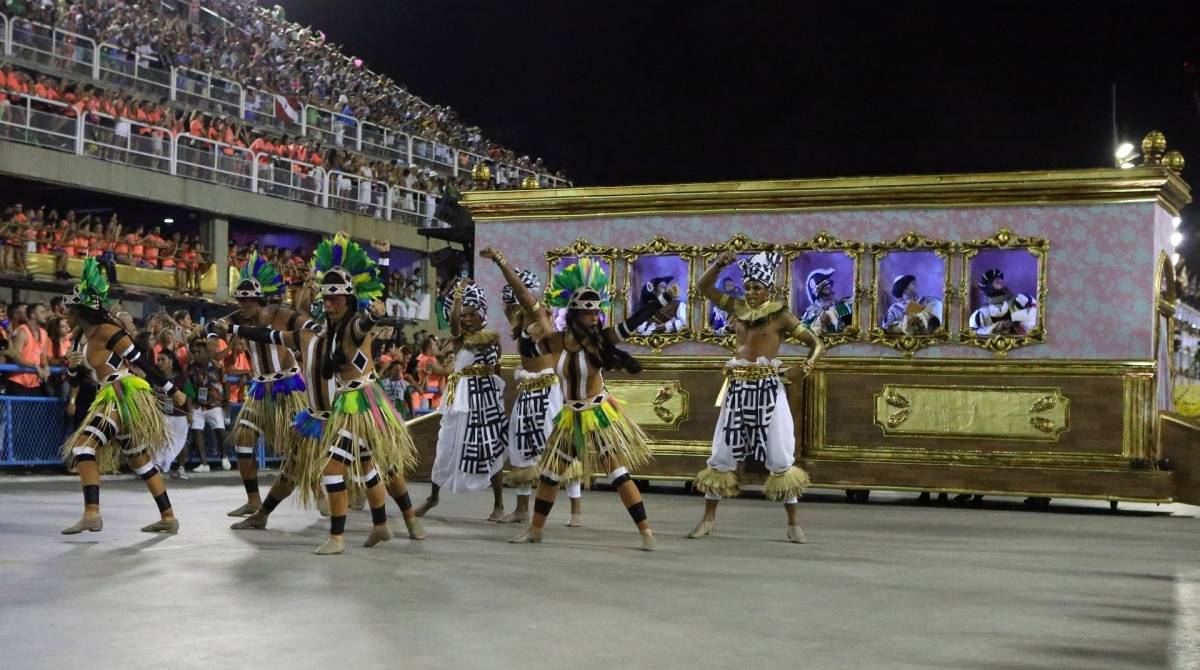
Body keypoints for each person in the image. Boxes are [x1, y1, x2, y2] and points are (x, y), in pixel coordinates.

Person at [223, 234, 420, 554]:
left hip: (357, 409)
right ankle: (264, 513)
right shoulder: (312, 336)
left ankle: (405, 518)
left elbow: (370, 312)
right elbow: (266, 333)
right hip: (320, 416)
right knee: (297, 468)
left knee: (383, 467)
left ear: (347, 301)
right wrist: (230, 329)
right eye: (322, 301)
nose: (326, 306)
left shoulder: (356, 327)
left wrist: (384, 262)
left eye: (333, 300)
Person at [510, 256, 676, 550]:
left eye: (597, 313)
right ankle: (536, 530)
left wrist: (661, 299)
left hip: (598, 414)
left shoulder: (602, 341)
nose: (595, 317)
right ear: (575, 316)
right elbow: (525, 347)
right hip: (569, 416)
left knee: (617, 474)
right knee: (549, 476)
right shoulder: (557, 341)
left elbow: (633, 323)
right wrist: (526, 329)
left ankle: (646, 531)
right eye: (589, 314)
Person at [688, 250, 824, 543]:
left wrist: (806, 367)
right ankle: (708, 520)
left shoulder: (780, 315)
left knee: (779, 453)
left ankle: (793, 523)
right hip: (737, 388)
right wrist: (719, 264)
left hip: (768, 390)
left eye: (756, 288)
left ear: (768, 289)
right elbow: (703, 288)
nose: (750, 292)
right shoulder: (736, 308)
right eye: (747, 287)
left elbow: (816, 343)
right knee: (722, 452)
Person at [59, 257, 187, 534]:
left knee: (83, 447)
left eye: (69, 310)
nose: (65, 315)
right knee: (138, 459)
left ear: (82, 310)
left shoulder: (109, 331)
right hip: (108, 393)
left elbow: (142, 363)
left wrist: (172, 391)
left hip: (120, 393)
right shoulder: (81, 337)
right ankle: (168, 517)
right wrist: (72, 370)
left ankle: (92, 513)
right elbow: (78, 377)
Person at [481, 251, 579, 526]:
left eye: (511, 301)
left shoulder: (537, 314)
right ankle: (522, 509)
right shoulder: (522, 322)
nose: (508, 307)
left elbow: (520, 290)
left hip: (547, 391)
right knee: (521, 445)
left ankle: (576, 510)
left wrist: (501, 261)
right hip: (528, 391)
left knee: (554, 445)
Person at [218, 253, 310, 518]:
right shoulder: (239, 317)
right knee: (243, 440)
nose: (241, 304)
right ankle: (253, 499)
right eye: (239, 300)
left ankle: (317, 489)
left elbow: (304, 327)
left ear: (258, 300)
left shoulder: (281, 315)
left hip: (289, 387)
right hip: (259, 389)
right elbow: (220, 325)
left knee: (302, 444)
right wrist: (213, 330)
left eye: (246, 300)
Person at [415, 279, 509, 520]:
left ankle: (499, 505)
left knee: (490, 447)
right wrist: (457, 295)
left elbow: (496, 369)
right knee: (445, 444)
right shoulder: (458, 339)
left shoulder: (492, 339)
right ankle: (433, 498)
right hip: (460, 398)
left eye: (470, 314)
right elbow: (454, 323)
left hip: (486, 397)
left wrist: (497, 400)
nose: (466, 319)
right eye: (463, 315)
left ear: (481, 314)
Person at [185, 338, 228, 473]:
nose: (196, 354)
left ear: (207, 353)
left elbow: (226, 384)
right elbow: (187, 387)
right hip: (197, 405)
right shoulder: (189, 368)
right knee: (197, 431)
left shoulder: (218, 366)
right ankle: (204, 464)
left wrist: (226, 404)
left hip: (214, 404)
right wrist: (190, 408)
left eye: (199, 352)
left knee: (220, 431)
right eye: (194, 351)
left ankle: (224, 456)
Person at [968, 269, 1037, 335]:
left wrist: (1019, 325)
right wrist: (997, 327)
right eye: (994, 280)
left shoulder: (1021, 300)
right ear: (988, 286)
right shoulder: (981, 314)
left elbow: (1037, 317)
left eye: (1000, 279)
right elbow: (973, 334)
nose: (999, 281)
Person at [8, 302, 50, 396]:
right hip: (18, 382)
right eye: (42, 312)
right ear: (33, 315)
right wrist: (35, 366)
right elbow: (16, 358)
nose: (46, 315)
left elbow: (43, 358)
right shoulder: (22, 331)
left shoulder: (44, 333)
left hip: (34, 383)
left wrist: (46, 367)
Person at [800, 268, 853, 335]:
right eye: (826, 288)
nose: (830, 290)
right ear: (819, 292)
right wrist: (817, 323)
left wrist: (831, 314)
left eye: (830, 287)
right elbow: (801, 328)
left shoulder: (840, 304)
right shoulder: (811, 312)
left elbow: (856, 306)